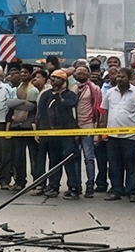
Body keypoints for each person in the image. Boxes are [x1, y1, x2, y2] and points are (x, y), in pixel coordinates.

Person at [102, 66, 135, 201]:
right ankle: (117, 190)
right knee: (114, 164)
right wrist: (103, 131)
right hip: (112, 135)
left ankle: (132, 192)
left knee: (131, 164)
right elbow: (105, 112)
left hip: (130, 136)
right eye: (118, 76)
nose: (119, 79)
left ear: (129, 78)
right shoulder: (110, 92)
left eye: (122, 76)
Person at [36, 69, 80, 198]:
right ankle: (53, 186)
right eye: (52, 78)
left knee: (69, 160)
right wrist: (38, 130)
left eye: (57, 78)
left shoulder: (70, 95)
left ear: (64, 80)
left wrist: (59, 95)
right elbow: (40, 114)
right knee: (53, 161)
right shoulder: (45, 95)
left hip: (67, 134)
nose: (54, 80)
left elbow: (71, 105)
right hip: (50, 134)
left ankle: (74, 187)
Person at [74, 62, 103, 199]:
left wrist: (97, 128)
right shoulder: (72, 88)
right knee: (75, 158)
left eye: (83, 72)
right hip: (74, 127)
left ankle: (90, 186)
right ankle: (76, 186)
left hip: (88, 126)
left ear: (88, 74)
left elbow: (98, 108)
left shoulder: (94, 88)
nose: (81, 74)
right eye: (78, 72)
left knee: (89, 158)